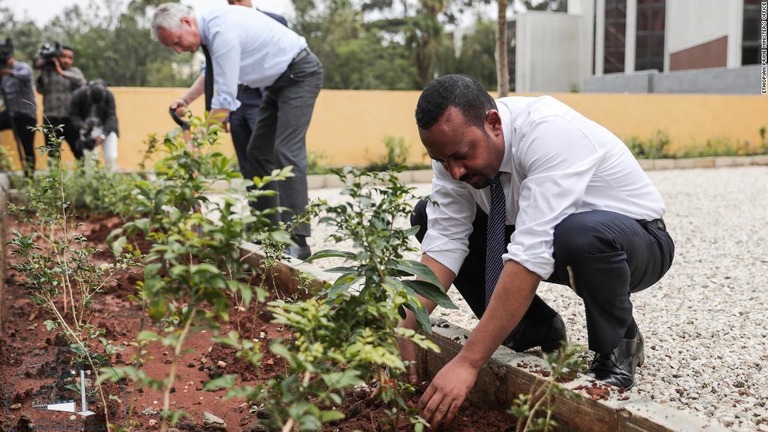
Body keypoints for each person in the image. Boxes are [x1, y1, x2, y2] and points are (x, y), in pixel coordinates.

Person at [398, 74, 675, 428]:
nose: (454, 171)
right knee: (426, 215)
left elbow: (530, 257)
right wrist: (404, 327)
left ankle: (619, 344)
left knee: (580, 235)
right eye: (441, 160)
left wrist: (469, 362)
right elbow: (445, 241)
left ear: (493, 123)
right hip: (556, 238)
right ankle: (533, 327)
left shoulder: (549, 132)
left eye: (462, 156)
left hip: (636, 241)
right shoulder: (455, 161)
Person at [152, 3, 323, 260]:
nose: (178, 50)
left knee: (286, 151)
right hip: (277, 84)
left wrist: (198, 142)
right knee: (257, 152)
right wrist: (186, 99)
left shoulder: (222, 31)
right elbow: (212, 73)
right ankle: (268, 230)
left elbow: (224, 99)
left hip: (300, 74)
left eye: (177, 42)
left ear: (187, 23)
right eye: (172, 47)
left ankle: (297, 240)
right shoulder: (210, 32)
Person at [169, 0, 288, 183]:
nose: (235, 4)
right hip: (236, 102)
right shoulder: (221, 30)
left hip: (263, 98)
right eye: (231, 2)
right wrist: (185, 100)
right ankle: (257, 209)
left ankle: (279, 209)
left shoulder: (273, 21)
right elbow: (210, 72)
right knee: (247, 163)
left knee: (268, 157)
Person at [34, 44, 87, 161]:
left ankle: (83, 177)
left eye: (70, 58)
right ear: (57, 57)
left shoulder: (74, 72)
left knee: (79, 151)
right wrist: (43, 68)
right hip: (51, 118)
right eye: (64, 56)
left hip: (70, 118)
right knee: (52, 154)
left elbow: (82, 83)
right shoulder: (47, 71)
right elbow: (39, 89)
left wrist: (61, 72)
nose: (66, 60)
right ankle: (55, 178)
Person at [0, 42, 38, 177]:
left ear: (11, 57)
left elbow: (25, 75)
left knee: (27, 147)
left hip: (26, 115)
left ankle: (30, 178)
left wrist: (8, 72)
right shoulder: (2, 75)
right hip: (10, 113)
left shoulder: (22, 67)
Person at [69, 80, 119, 171]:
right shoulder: (78, 95)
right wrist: (83, 126)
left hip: (106, 128)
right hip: (87, 129)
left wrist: (103, 135)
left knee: (111, 156)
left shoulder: (109, 96)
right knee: (90, 158)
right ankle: (91, 182)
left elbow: (111, 117)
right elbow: (73, 115)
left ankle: (110, 181)